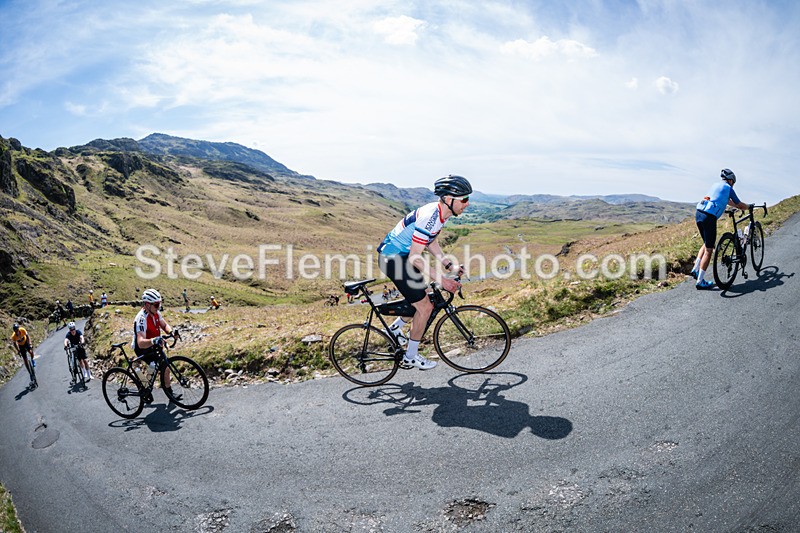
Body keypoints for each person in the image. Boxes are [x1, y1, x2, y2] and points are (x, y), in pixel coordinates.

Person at [377, 175, 470, 370]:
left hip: (402, 257)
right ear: (449, 199)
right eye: (464, 199)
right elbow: (415, 258)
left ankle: (395, 329)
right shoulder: (430, 216)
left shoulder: (441, 214)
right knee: (425, 307)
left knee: (423, 296)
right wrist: (443, 280)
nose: (467, 204)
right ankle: (410, 356)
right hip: (393, 259)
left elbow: (431, 241)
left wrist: (448, 265)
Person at [692, 168, 751, 290]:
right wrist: (748, 207)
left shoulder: (716, 185)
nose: (733, 185)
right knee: (709, 250)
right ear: (731, 180)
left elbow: (728, 201)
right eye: (733, 183)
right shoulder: (728, 188)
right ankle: (700, 281)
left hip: (699, 213)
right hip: (709, 217)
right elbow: (739, 204)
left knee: (706, 243)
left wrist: (737, 206)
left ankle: (695, 269)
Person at [132, 289, 179, 399]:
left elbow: (164, 325)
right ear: (147, 305)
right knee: (163, 367)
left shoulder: (155, 312)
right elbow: (141, 343)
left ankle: (165, 392)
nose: (159, 307)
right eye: (157, 304)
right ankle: (146, 388)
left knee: (164, 367)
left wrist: (171, 333)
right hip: (143, 348)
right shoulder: (141, 319)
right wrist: (154, 340)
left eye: (160, 304)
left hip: (154, 344)